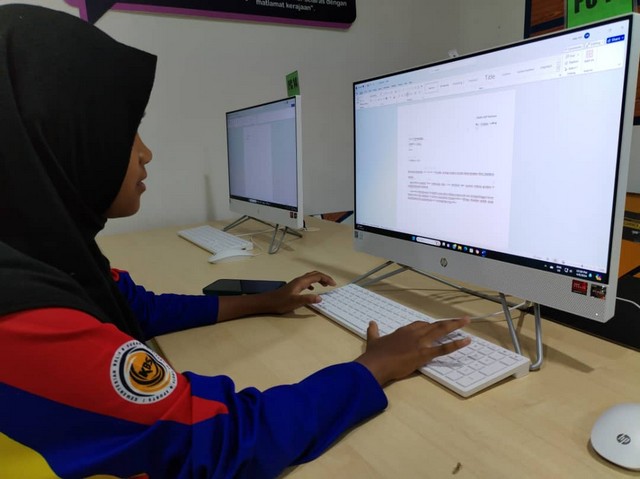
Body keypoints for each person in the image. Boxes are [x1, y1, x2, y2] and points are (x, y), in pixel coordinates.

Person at [0, 5, 471, 478]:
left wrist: (265, 301)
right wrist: (375, 366)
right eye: (126, 131)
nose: (146, 152)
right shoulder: (27, 321)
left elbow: (137, 309)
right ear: (61, 132)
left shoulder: (43, 250)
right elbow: (220, 442)